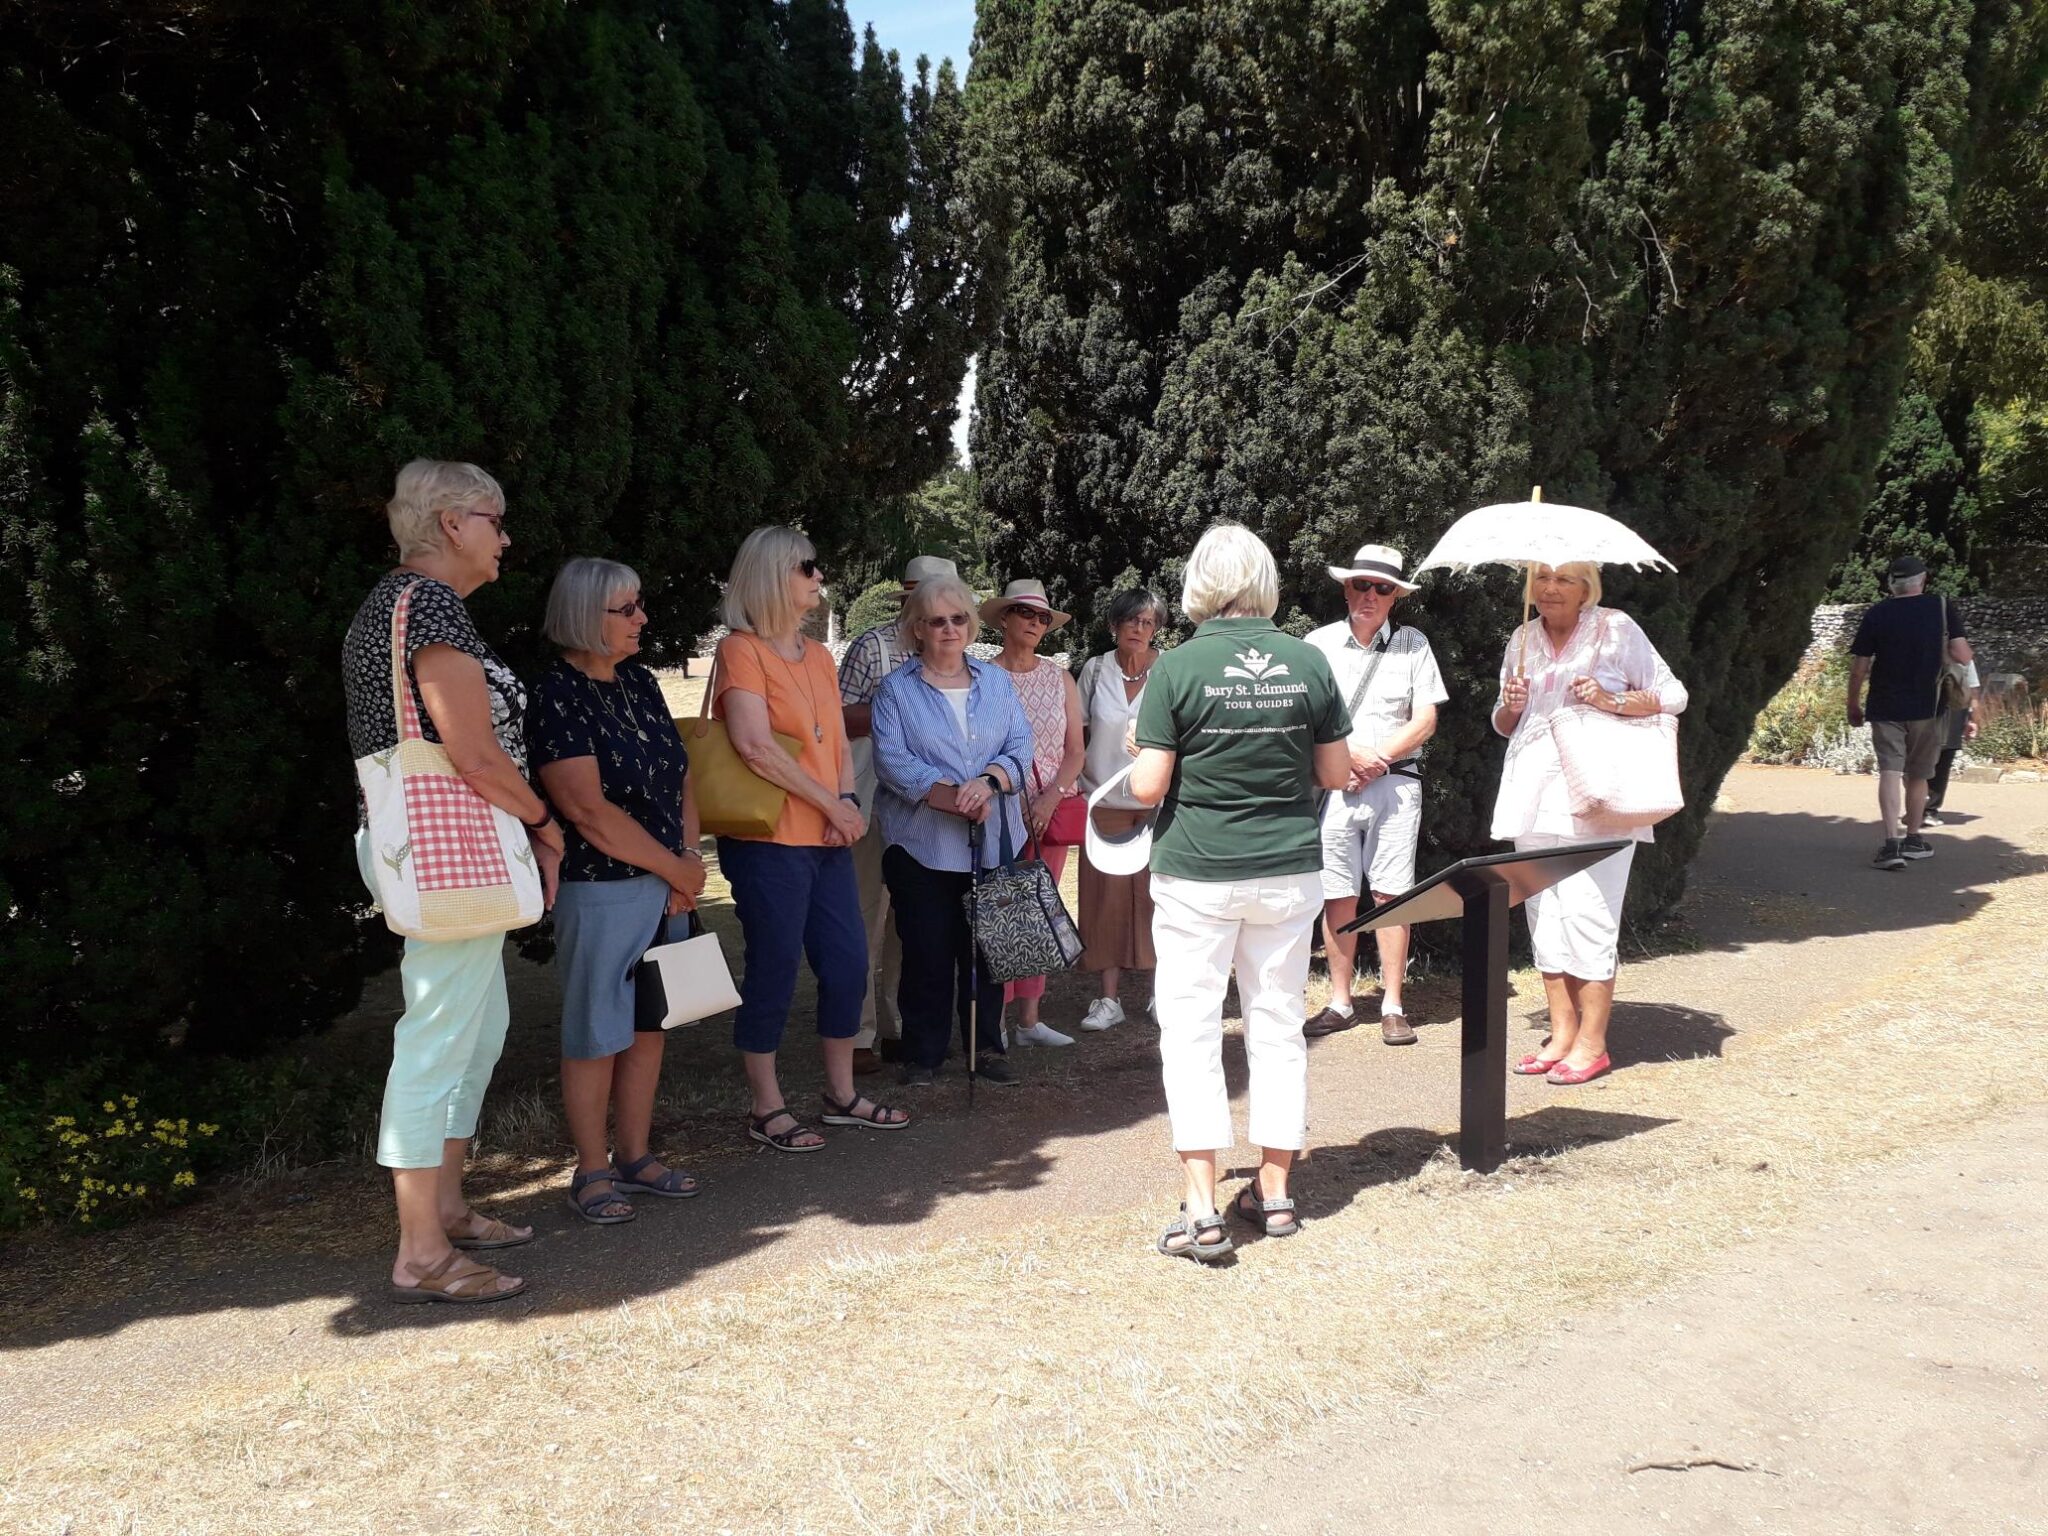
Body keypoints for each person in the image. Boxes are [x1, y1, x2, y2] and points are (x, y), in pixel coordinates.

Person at [342, 459, 562, 1305]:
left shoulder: (399, 608)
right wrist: (544, 823)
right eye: (494, 520)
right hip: (442, 847)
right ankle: (421, 1253)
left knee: (475, 1027)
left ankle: (447, 1209)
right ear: (450, 525)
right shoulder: (426, 606)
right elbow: (471, 753)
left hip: (430, 847)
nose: (505, 538)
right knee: (438, 1037)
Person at [1127, 525, 1351, 1262]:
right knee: (1278, 1023)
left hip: (1198, 869)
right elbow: (1334, 772)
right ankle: (1276, 1191)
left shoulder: (1177, 668)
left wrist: (1140, 752)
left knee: (1191, 1028)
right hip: (1288, 868)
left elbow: (1149, 787)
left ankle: (1201, 1205)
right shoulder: (1308, 661)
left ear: (1200, 584)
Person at [713, 527, 910, 1150]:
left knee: (849, 964)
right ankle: (765, 1106)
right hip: (770, 840)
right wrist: (832, 802)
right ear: (774, 574)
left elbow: (840, 744)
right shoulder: (739, 651)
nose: (819, 578)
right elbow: (753, 746)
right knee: (773, 965)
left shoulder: (820, 656)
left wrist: (847, 801)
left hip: (828, 835)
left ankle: (840, 1094)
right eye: (808, 567)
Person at [531, 558, 706, 1225]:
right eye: (626, 609)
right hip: (602, 888)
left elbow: (681, 777)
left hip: (669, 884)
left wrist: (686, 862)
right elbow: (587, 811)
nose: (642, 619)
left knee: (649, 1027)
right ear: (584, 615)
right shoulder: (556, 692)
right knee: (596, 1033)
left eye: (639, 605)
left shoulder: (638, 682)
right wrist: (675, 868)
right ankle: (591, 1170)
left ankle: (635, 1156)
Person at [1490, 561, 1688, 1087]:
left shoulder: (1616, 628)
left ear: (1586, 588)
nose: (1551, 588)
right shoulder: (1522, 637)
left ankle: (1593, 1044)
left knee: (1590, 916)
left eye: (1566, 579)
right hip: (1532, 793)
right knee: (1544, 916)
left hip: (1597, 799)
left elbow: (1673, 694)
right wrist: (1510, 706)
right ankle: (1561, 1035)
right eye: (1543, 578)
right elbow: (1505, 723)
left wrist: (1609, 699)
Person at [870, 572, 1036, 1087]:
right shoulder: (896, 691)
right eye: (936, 621)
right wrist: (952, 798)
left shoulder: (996, 682)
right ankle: (924, 1051)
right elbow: (892, 763)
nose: (949, 629)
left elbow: (1021, 747)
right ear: (917, 628)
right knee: (927, 951)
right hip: (920, 844)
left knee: (989, 948)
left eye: (958, 618)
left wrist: (986, 784)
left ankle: (985, 1046)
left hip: (990, 840)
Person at [1304, 545, 1448, 1046]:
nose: (1370, 595)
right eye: (1361, 585)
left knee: (1392, 894)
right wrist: (1351, 758)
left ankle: (1392, 1004)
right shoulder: (1317, 644)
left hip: (1395, 784)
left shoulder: (1413, 644)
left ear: (1396, 597)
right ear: (1346, 589)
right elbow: (1307, 718)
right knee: (1338, 892)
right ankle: (1341, 1002)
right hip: (1337, 787)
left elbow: (1425, 719)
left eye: (1382, 588)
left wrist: (1375, 759)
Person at [838, 555, 959, 1074]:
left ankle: (902, 1028)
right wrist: (898, 709)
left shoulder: (957, 648)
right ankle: (860, 1032)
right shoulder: (873, 645)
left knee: (914, 923)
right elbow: (838, 715)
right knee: (866, 914)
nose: (944, 619)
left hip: (930, 808)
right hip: (872, 797)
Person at [984, 579, 1086, 1047]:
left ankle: (1029, 1020)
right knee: (1003, 911)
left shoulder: (1059, 677)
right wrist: (1014, 796)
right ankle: (996, 1023)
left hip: (1050, 808)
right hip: (999, 808)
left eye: (1043, 617)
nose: (1035, 623)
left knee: (1041, 909)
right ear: (1004, 617)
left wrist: (1050, 797)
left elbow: (1075, 751)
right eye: (1026, 613)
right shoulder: (982, 676)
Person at [1074, 589, 1167, 1030]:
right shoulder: (1094, 670)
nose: (1139, 629)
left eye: (1148, 623)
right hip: (1104, 802)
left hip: (1157, 806)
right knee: (1105, 905)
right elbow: (1077, 736)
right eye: (1131, 620)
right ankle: (1108, 1001)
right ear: (1115, 624)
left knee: (1160, 902)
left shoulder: (1169, 670)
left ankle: (1160, 996)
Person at [1846, 555, 1973, 869]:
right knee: (1918, 775)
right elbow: (1962, 654)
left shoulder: (1877, 613)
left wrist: (1852, 704)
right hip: (1928, 707)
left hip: (1886, 705)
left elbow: (1859, 668)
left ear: (1891, 584)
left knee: (1890, 771)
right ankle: (1914, 839)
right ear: (1923, 580)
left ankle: (1891, 844)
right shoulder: (1940, 607)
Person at [1923, 657, 1981, 827]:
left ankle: (1927, 808)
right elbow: (1973, 688)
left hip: (1947, 707)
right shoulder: (1959, 648)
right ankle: (1926, 808)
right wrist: (1973, 718)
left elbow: (1972, 687)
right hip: (1944, 707)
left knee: (1940, 757)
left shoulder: (1958, 651)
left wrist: (1972, 718)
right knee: (1939, 759)